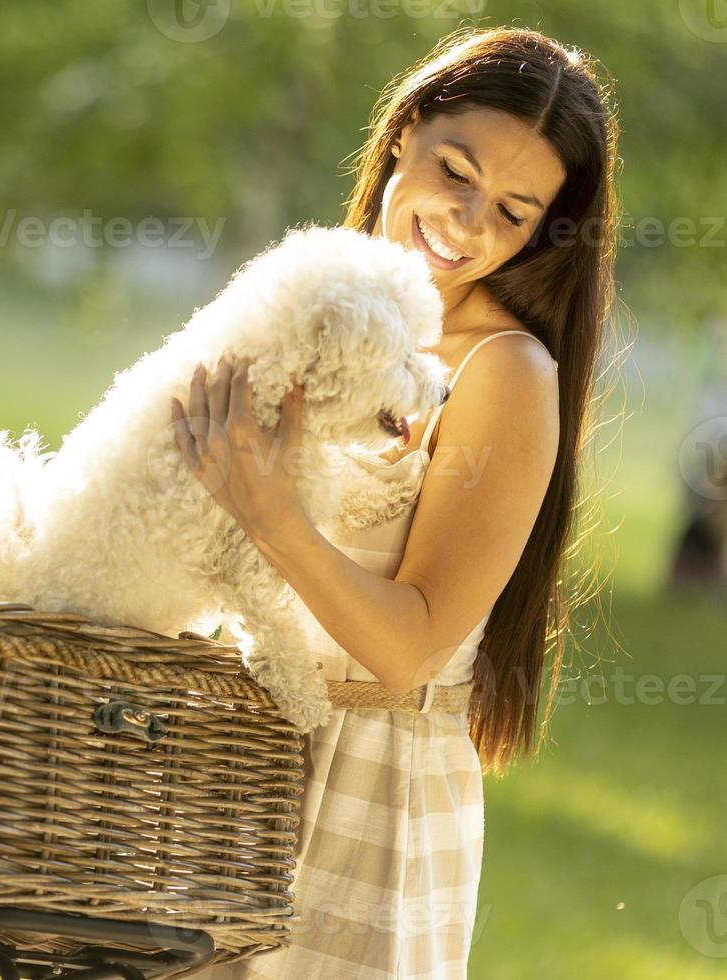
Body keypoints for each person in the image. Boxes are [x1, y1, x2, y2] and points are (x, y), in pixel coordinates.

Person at [170, 26, 619, 978]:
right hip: (221, 766)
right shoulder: (314, 303)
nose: (465, 221)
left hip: (361, 800)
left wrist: (270, 515)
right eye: (454, 172)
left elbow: (411, 647)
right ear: (405, 131)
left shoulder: (505, 373)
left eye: (512, 210)